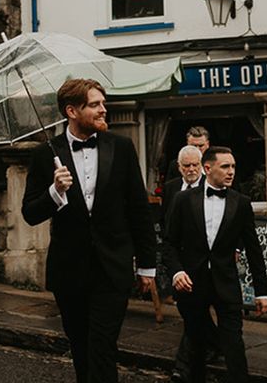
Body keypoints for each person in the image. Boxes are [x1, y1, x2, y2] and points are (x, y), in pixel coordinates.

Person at [22, 78, 156, 383]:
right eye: (94, 105)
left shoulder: (121, 148)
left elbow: (138, 208)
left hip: (113, 268)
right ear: (72, 110)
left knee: (102, 346)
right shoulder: (46, 154)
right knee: (81, 348)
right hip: (70, 271)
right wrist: (55, 192)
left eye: (103, 103)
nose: (103, 110)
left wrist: (147, 265)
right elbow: (29, 213)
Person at [163, 146, 267, 382]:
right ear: (207, 168)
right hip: (192, 284)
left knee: (233, 344)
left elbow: (253, 249)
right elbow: (169, 244)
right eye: (225, 166)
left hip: (226, 283)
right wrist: (177, 272)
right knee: (197, 347)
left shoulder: (241, 202)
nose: (231, 172)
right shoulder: (183, 200)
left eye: (233, 166)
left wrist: (262, 291)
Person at [161, 144, 215, 383]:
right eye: (187, 166)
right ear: (179, 167)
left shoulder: (210, 187)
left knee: (195, 311)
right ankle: (218, 343)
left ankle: (182, 367)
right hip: (178, 260)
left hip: (204, 260)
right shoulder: (172, 188)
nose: (191, 169)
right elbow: (166, 223)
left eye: (195, 165)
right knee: (189, 310)